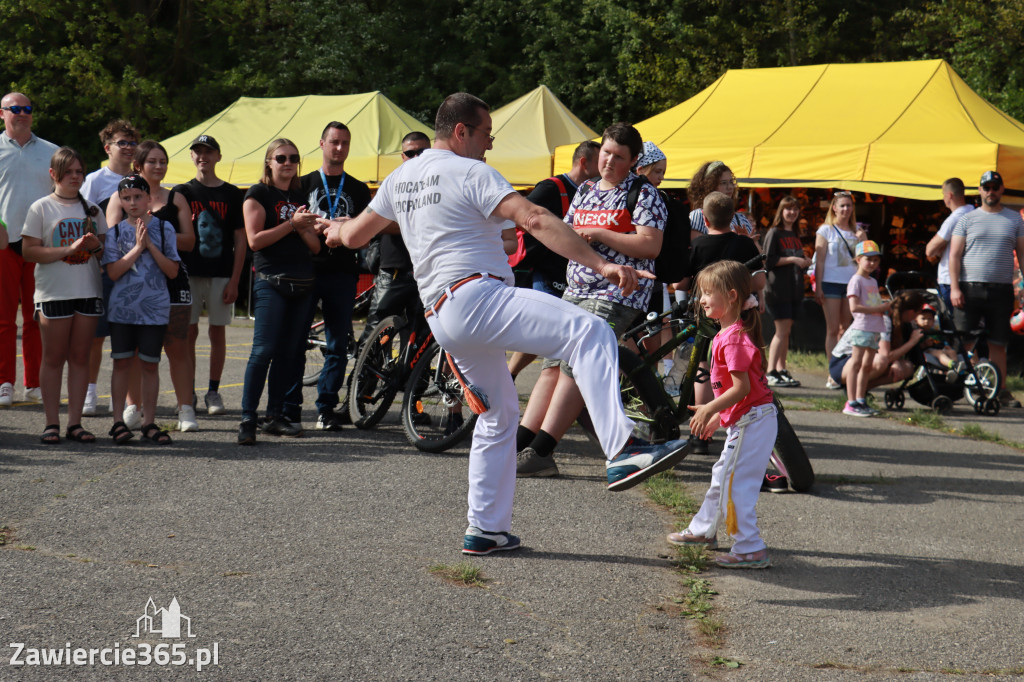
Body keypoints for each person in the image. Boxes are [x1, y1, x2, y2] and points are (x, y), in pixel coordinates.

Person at [322, 93, 687, 555]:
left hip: (444, 318)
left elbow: (353, 234)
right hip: (478, 296)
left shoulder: (401, 177)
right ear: (461, 131)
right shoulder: (472, 172)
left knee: (497, 414)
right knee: (590, 331)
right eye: (486, 135)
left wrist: (331, 229)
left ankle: (485, 529)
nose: (489, 146)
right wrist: (601, 264)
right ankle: (622, 451)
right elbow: (534, 217)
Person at [515, 122, 667, 479]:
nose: (610, 162)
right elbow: (567, 234)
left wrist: (601, 234)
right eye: (607, 153)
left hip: (617, 293)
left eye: (619, 157)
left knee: (574, 366)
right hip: (575, 290)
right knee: (552, 364)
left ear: (633, 161)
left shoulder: (644, 194)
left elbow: (650, 245)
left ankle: (541, 451)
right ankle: (520, 441)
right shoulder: (584, 189)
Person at [667, 260, 776, 569]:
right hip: (748, 420)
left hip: (753, 422)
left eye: (707, 293)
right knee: (723, 477)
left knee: (735, 483)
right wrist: (719, 415)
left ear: (730, 296)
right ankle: (703, 531)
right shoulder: (725, 335)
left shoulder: (734, 338)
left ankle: (750, 548)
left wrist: (711, 408)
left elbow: (741, 388)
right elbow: (737, 390)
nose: (701, 300)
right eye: (700, 293)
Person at [106, 141, 196, 431]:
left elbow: (189, 241)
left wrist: (153, 238)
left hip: (169, 282)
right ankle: (133, 407)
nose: (159, 167)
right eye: (152, 161)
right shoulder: (120, 198)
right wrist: (138, 240)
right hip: (132, 287)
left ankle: (185, 409)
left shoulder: (176, 197)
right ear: (138, 166)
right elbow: (114, 239)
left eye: (163, 161)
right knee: (132, 353)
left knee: (176, 347)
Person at [21, 147, 107, 444]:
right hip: (54, 292)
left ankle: (75, 423)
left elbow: (104, 255)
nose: (74, 176)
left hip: (87, 290)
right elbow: (29, 251)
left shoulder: (94, 210)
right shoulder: (41, 207)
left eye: (79, 171)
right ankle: (51, 423)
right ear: (53, 174)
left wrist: (94, 246)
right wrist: (69, 250)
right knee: (54, 358)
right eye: (68, 171)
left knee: (80, 358)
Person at [237, 139, 321, 445]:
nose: (288, 162)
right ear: (269, 162)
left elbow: (314, 246)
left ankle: (274, 416)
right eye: (281, 157)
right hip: (271, 280)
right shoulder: (257, 193)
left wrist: (303, 228)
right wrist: (292, 224)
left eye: (294, 158)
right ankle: (248, 417)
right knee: (263, 350)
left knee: (290, 353)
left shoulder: (299, 196)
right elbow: (255, 240)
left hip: (303, 282)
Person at [292, 122, 370, 431]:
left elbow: (366, 235)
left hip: (342, 273)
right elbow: (293, 226)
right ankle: (289, 406)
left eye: (345, 143)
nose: (339, 148)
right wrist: (314, 228)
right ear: (322, 144)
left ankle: (325, 408)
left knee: (338, 345)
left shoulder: (359, 189)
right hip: (307, 270)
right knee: (297, 341)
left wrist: (348, 227)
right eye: (334, 142)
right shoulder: (303, 184)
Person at [506, 140, 599, 380]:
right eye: (599, 162)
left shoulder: (590, 190)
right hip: (544, 272)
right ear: (584, 163)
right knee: (543, 332)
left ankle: (514, 375)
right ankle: (509, 374)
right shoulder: (551, 187)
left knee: (549, 334)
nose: (604, 167)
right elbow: (522, 218)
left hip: (566, 273)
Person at [101, 174, 181, 445]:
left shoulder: (164, 228)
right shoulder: (113, 232)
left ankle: (149, 422)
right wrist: (137, 248)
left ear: (149, 198)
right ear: (120, 201)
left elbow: (172, 271)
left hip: (154, 308)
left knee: (150, 365)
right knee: (121, 363)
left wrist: (150, 246)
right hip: (123, 309)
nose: (133, 202)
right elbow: (112, 272)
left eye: (138, 196)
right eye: (127, 198)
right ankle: (117, 423)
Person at [684, 191, 765, 454]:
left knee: (705, 369)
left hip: (704, 316)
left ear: (704, 219)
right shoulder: (744, 244)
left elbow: (681, 284)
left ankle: (700, 433)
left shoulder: (697, 245)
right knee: (737, 365)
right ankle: (728, 415)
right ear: (733, 218)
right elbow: (761, 281)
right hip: (740, 313)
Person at [174, 135, 246, 417]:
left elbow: (241, 241)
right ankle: (188, 390)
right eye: (198, 151)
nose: (203, 156)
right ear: (192, 156)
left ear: (218, 156)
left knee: (218, 331)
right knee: (187, 333)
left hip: (221, 274)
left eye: (209, 151)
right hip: (189, 274)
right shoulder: (182, 192)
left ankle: (213, 391)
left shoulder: (231, 193)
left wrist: (236, 279)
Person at [0, 92, 57, 408]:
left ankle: (33, 384)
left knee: (38, 319)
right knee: (4, 320)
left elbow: (61, 196)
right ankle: (4, 382)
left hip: (39, 247)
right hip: (3, 246)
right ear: (2, 113)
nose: (22, 114)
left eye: (27, 109)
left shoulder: (52, 152)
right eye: (15, 109)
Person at [949, 170, 1024, 408]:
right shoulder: (967, 219)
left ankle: (999, 390)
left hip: (1001, 290)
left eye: (995, 187)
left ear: (1002, 189)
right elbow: (954, 255)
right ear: (980, 190)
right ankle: (963, 385)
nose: (991, 191)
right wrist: (954, 288)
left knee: (998, 343)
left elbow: (1022, 254)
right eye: (986, 187)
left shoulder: (1015, 219)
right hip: (969, 288)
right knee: (965, 341)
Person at [81, 119, 139, 416]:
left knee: (130, 336)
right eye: (122, 143)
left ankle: (132, 401)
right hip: (102, 267)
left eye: (132, 143)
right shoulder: (94, 180)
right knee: (96, 333)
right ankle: (90, 392)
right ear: (107, 148)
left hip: (135, 269)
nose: (129, 148)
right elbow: (85, 221)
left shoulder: (140, 179)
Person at [814, 191, 867, 386]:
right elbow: (819, 260)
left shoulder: (858, 231)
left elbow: (866, 261)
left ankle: (844, 369)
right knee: (833, 328)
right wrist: (818, 286)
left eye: (849, 206)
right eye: (842, 206)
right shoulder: (825, 230)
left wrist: (862, 239)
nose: (846, 209)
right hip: (830, 282)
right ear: (834, 208)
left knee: (846, 330)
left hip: (852, 283)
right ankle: (832, 372)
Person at [829, 290, 924, 391]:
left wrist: (896, 361)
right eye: (918, 313)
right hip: (843, 362)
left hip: (866, 358)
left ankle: (861, 389)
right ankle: (854, 392)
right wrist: (912, 342)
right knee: (881, 361)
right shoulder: (884, 319)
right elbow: (885, 355)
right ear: (911, 312)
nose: (916, 318)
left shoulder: (901, 321)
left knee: (907, 368)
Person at [763, 196, 812, 388]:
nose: (792, 213)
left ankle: (782, 369)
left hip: (795, 289)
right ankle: (770, 371)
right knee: (781, 331)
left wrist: (804, 261)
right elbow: (768, 261)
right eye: (788, 209)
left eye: (795, 209)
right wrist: (793, 260)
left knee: (786, 331)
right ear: (781, 211)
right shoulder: (775, 232)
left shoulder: (795, 234)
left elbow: (795, 258)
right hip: (778, 290)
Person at [842, 240, 890, 417]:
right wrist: (879, 309)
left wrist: (883, 306)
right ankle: (851, 401)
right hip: (862, 328)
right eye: (868, 259)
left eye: (875, 260)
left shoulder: (871, 281)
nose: (872, 263)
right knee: (856, 363)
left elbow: (869, 303)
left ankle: (861, 400)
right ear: (858, 259)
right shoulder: (856, 280)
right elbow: (854, 307)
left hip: (874, 328)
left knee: (867, 366)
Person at [925, 178, 973, 311]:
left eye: (943, 194)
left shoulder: (955, 218)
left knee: (952, 324)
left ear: (949, 195)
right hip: (971, 278)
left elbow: (930, 250)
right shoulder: (973, 212)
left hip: (950, 281)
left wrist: (940, 246)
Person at [687, 161, 756, 241]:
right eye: (723, 183)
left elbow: (759, 252)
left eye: (731, 182)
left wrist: (749, 243)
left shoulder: (741, 219)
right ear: (710, 186)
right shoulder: (698, 216)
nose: (729, 187)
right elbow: (698, 249)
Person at [913, 303, 964, 381]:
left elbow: (943, 341)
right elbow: (915, 346)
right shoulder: (917, 333)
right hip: (927, 351)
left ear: (933, 321)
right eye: (923, 319)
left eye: (929, 319)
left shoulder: (935, 332)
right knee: (939, 353)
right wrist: (924, 344)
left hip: (940, 349)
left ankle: (954, 371)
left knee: (952, 352)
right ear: (916, 321)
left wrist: (947, 346)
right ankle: (953, 364)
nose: (926, 321)